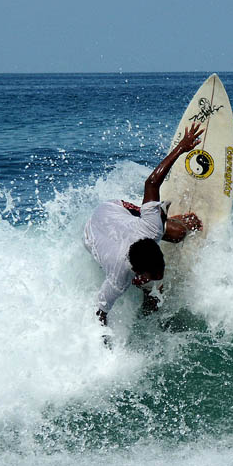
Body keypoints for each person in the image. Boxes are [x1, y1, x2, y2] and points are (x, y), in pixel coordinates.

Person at [83, 123, 205, 325]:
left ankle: (173, 218)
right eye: (155, 273)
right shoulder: (117, 278)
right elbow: (100, 313)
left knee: (178, 233)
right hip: (91, 234)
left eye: (161, 268)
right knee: (155, 292)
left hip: (112, 210)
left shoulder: (151, 229)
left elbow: (151, 183)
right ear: (136, 271)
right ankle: (148, 315)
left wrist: (182, 148)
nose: (160, 274)